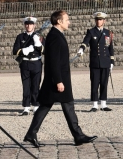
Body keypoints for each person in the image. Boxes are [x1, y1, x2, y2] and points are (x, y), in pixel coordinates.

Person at [24, 10, 97, 148]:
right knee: (58, 105)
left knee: (54, 106)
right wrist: (58, 81)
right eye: (66, 19)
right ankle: (77, 135)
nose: (68, 22)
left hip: (59, 79)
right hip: (57, 80)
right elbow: (53, 61)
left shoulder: (56, 35)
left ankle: (32, 134)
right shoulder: (55, 37)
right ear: (59, 21)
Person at [77, 12, 115, 111]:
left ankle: (103, 104)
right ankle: (94, 105)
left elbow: (110, 48)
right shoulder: (91, 32)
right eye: (97, 20)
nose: (99, 21)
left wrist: (112, 62)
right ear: (95, 21)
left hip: (105, 62)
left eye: (101, 19)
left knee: (104, 83)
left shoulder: (108, 32)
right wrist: (81, 49)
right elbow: (85, 42)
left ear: (104, 21)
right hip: (95, 62)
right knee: (94, 83)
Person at [13, 16, 44, 115]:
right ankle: (26, 107)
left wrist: (38, 44)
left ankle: (35, 105)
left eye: (30, 24)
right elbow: (15, 50)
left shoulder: (40, 36)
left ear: (34, 25)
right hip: (25, 63)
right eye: (27, 24)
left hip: (36, 63)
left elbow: (45, 50)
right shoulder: (20, 37)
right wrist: (24, 50)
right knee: (26, 85)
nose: (28, 26)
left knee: (36, 85)